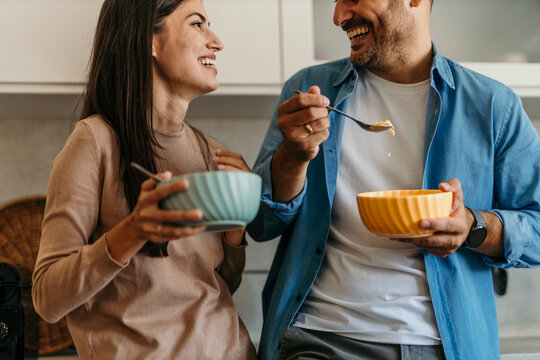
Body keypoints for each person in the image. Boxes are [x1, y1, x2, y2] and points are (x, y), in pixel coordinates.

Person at [247, 0, 540, 359]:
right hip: (319, 337)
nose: (338, 16)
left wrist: (474, 227)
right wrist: (291, 159)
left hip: (441, 346)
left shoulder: (493, 106)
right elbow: (261, 224)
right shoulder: (309, 90)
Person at [31, 0, 257, 359]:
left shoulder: (210, 152)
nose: (216, 41)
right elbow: (47, 298)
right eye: (198, 24)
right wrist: (133, 231)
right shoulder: (94, 142)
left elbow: (216, 285)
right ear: (147, 41)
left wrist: (236, 224)